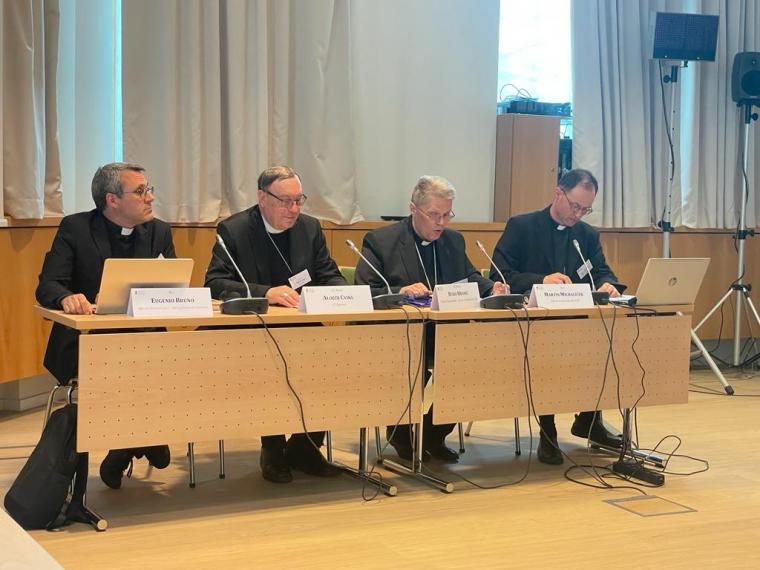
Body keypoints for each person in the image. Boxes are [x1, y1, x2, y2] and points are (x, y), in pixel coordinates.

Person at [36, 162, 175, 488]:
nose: (150, 197)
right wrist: (66, 298)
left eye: (149, 189)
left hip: (146, 342)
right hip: (87, 344)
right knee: (132, 372)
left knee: (175, 362)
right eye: (140, 191)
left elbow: (172, 285)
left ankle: (130, 443)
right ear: (112, 200)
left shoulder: (159, 231)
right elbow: (48, 285)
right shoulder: (76, 228)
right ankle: (141, 437)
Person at [205, 165, 346, 483]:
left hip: (305, 329)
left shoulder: (310, 228)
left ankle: (305, 446)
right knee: (270, 367)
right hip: (254, 332)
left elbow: (328, 273)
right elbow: (214, 283)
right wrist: (265, 293)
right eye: (285, 201)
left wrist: (341, 294)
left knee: (334, 362)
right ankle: (272, 448)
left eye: (299, 200)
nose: (293, 209)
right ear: (262, 197)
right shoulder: (235, 230)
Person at [355, 175, 507, 463]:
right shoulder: (381, 241)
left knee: (478, 362)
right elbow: (365, 291)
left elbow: (469, 277)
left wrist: (492, 287)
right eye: (434, 215)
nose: (441, 223)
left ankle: (433, 433)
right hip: (399, 334)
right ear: (414, 209)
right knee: (416, 361)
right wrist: (401, 291)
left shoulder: (452, 240)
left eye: (447, 215)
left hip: (445, 332)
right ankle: (401, 432)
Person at [491, 168, 625, 465]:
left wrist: (608, 284)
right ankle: (547, 429)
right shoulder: (522, 226)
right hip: (531, 324)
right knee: (550, 349)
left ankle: (590, 421)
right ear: (558, 193)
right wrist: (541, 280)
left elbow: (601, 271)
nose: (578, 214)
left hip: (576, 322)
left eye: (585, 209)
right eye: (575, 206)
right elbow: (499, 274)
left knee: (604, 340)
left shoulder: (586, 235)